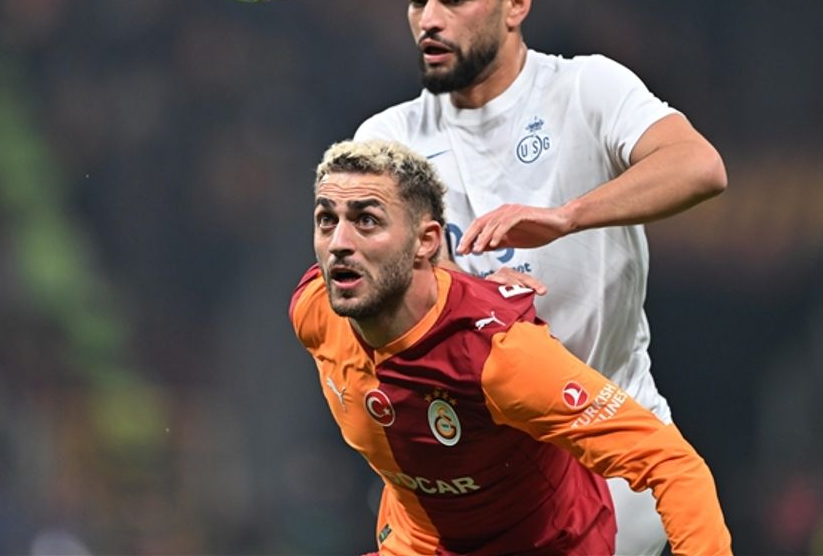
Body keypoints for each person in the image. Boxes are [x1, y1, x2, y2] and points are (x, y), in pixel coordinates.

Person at [352, 0, 729, 554]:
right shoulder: (388, 138)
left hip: (605, 450)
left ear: (515, 4)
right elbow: (374, 288)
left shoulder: (586, 89)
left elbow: (700, 166)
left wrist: (567, 217)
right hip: (470, 469)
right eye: (418, 1)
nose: (429, 20)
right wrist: (473, 301)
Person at [291, 139, 731, 555]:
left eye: (367, 220)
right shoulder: (315, 309)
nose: (339, 244)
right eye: (327, 220)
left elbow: (673, 464)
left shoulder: (499, 354)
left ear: (425, 242)